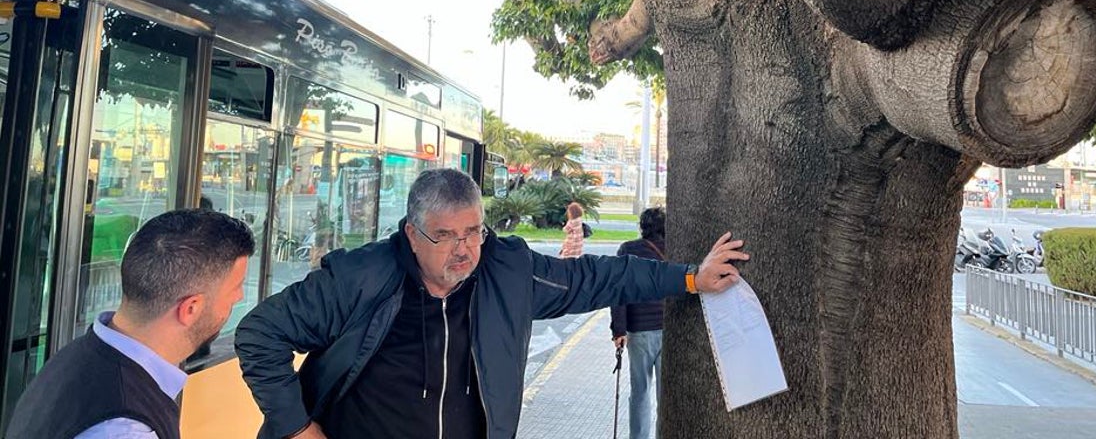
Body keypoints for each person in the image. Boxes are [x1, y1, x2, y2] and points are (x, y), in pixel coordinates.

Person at [235, 168, 748, 439]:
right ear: (412, 235)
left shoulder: (507, 270)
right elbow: (259, 333)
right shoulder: (361, 276)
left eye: (474, 232)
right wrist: (297, 427)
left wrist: (690, 278)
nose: (464, 250)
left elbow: (598, 276)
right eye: (445, 236)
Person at [7, 209, 255, 439]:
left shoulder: (79, 356)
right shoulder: (125, 429)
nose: (239, 296)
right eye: (235, 287)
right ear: (190, 309)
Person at [611, 207, 667, 439]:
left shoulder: (628, 250)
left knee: (640, 393)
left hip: (639, 330)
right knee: (666, 397)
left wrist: (619, 330)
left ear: (642, 227)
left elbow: (618, 292)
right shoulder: (674, 249)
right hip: (668, 330)